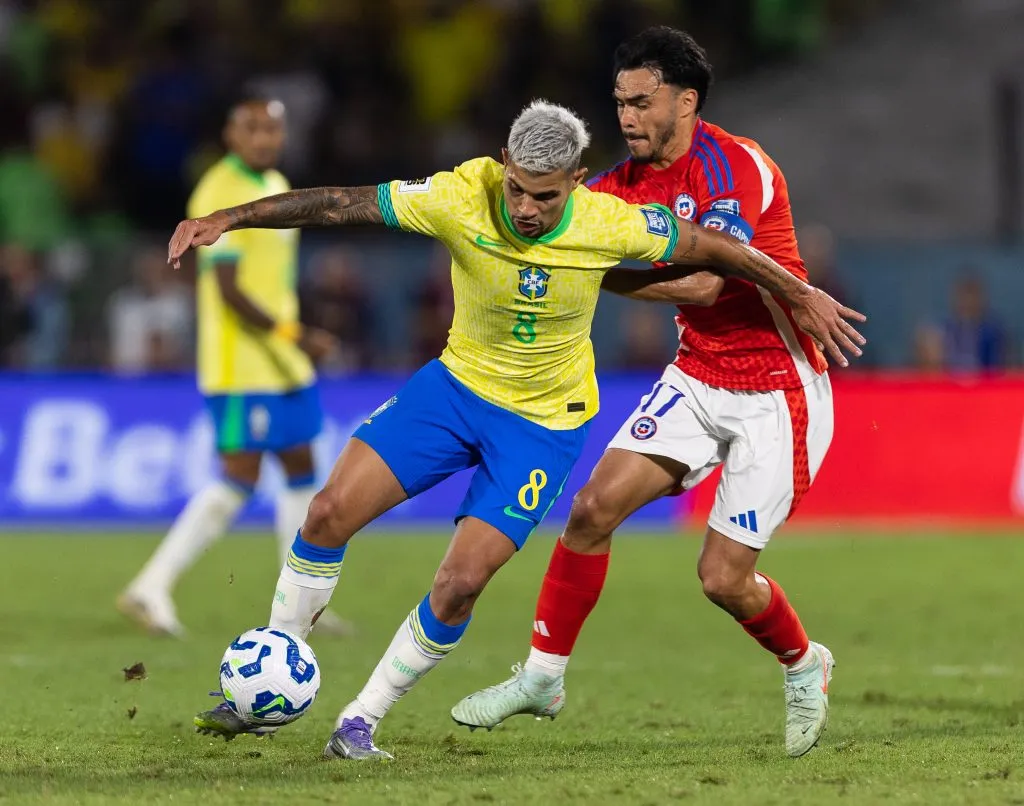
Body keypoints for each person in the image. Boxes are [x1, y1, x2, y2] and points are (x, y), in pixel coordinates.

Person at [167, 99, 864, 761]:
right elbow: (345, 202)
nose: (527, 210)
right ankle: (277, 664)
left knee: (461, 582)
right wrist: (232, 216)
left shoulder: (609, 222)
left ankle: (360, 720)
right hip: (454, 391)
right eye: (519, 191)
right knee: (325, 512)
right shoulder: (458, 195)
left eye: (546, 197)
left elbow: (715, 249)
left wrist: (798, 291)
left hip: (540, 426)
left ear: (578, 183)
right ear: (503, 163)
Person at [451, 27, 853, 759]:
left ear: (686, 100)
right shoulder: (620, 187)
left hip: (777, 387)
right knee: (592, 509)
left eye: (642, 102)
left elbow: (705, 281)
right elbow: (557, 221)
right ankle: (543, 676)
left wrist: (593, 268)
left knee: (723, 579)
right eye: (620, 103)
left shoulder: (737, 167)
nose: (627, 118)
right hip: (697, 374)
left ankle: (804, 664)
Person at [118, 96, 352, 638]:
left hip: (284, 364)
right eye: (252, 128)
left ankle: (301, 602)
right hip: (242, 364)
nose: (264, 138)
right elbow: (228, 292)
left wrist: (293, 341)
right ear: (230, 134)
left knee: (301, 470)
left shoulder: (276, 181)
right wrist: (296, 333)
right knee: (239, 478)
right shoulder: (219, 191)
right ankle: (152, 585)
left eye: (272, 128)